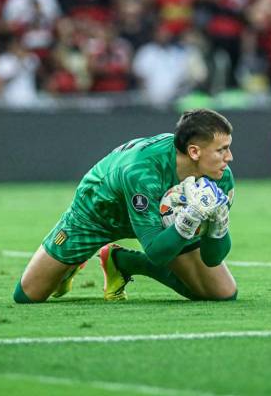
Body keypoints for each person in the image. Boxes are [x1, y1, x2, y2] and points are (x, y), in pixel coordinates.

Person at [14, 108, 236, 303]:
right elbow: (157, 253)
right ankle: (71, 264)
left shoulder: (221, 178)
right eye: (221, 150)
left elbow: (213, 258)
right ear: (194, 151)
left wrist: (219, 225)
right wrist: (191, 216)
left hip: (155, 213)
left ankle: (123, 261)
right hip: (99, 214)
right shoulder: (142, 171)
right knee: (29, 295)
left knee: (222, 292)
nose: (230, 157)